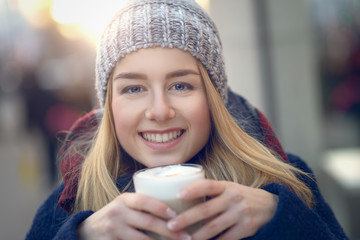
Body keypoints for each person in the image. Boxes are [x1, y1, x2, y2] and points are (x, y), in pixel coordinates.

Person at [26, 0, 349, 239]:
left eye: (181, 85)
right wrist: (82, 235)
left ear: (213, 98)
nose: (159, 110)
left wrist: (280, 218)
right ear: (109, 105)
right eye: (134, 88)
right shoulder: (67, 205)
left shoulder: (282, 181)